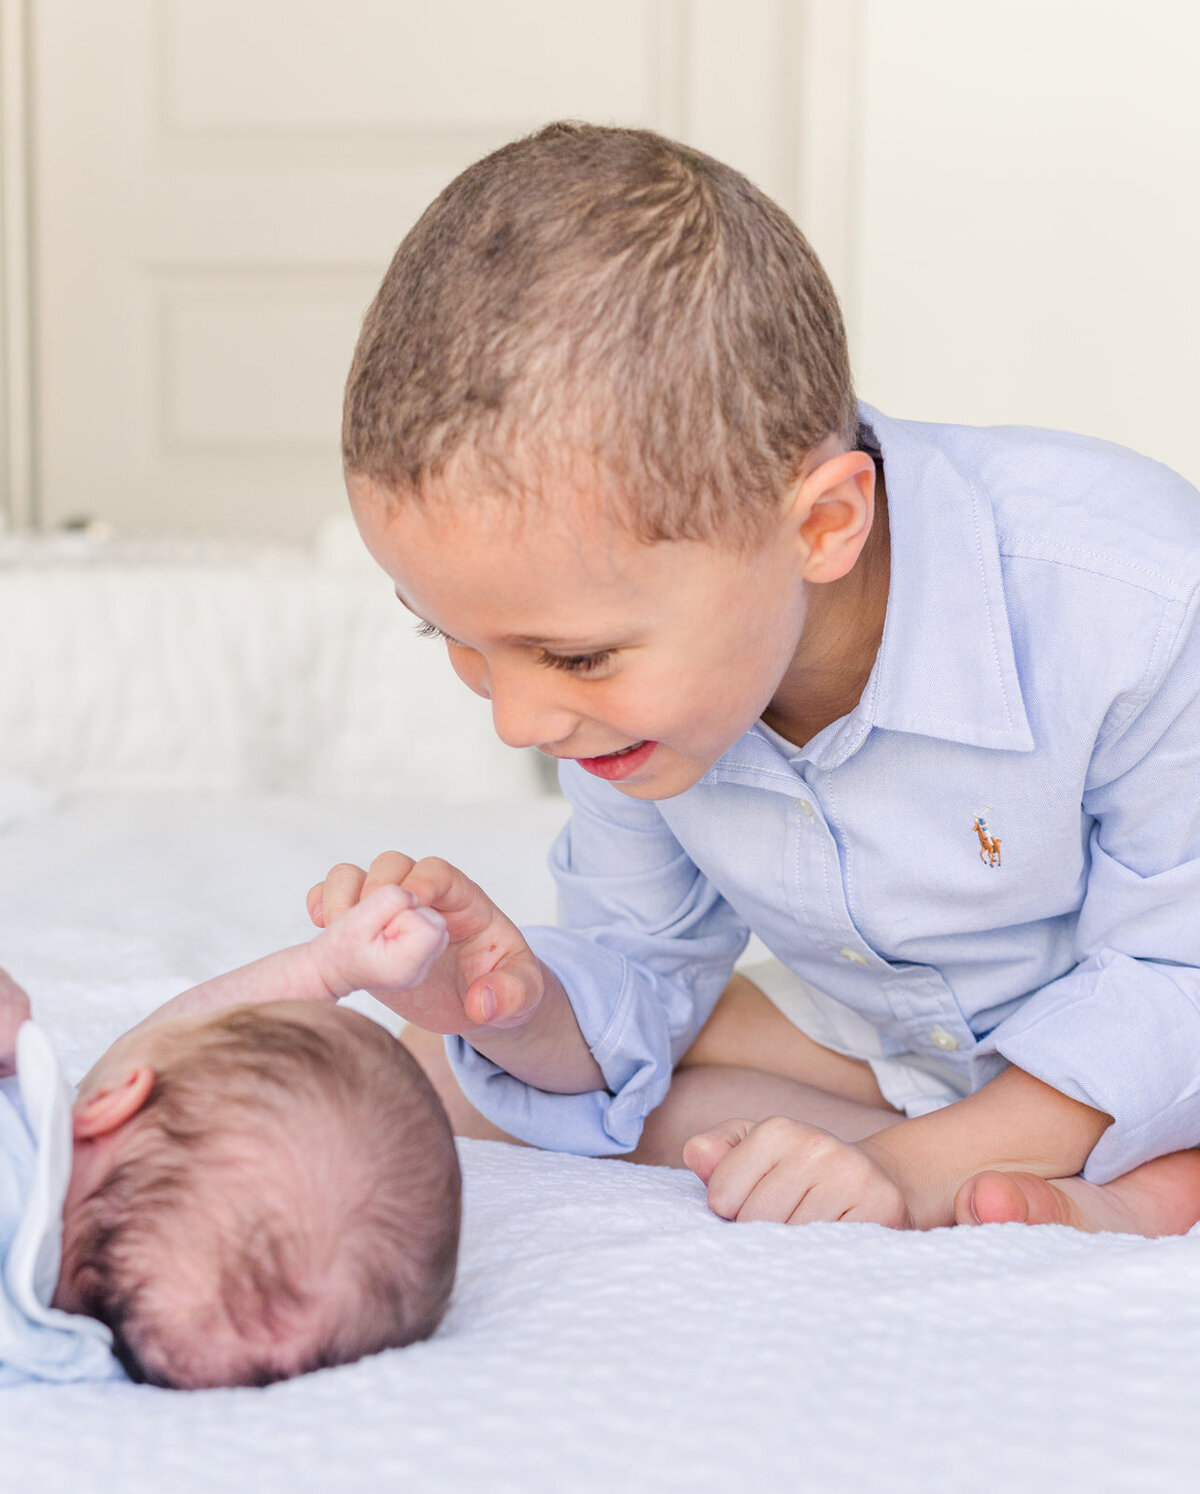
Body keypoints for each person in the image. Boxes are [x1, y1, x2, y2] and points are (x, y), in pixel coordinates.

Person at [313, 122, 1200, 1238]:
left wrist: (913, 1171)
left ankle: (1067, 1175)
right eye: (455, 640)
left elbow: (1178, 974)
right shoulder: (621, 707)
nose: (523, 719)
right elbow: (646, 963)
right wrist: (510, 1001)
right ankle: (1065, 1173)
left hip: (1153, 998)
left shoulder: (1139, 600)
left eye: (576, 656)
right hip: (909, 1038)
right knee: (440, 1071)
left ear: (824, 525)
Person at [0, 885, 460, 1387]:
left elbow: (161, 1039)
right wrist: (323, 971)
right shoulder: (49, 1344)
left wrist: (323, 967)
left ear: (112, 1104)